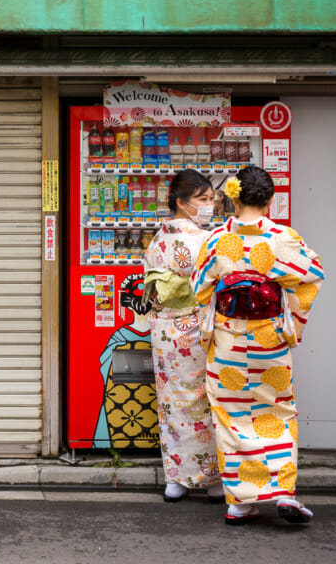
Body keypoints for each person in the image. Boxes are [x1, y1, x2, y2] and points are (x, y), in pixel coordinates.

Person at [190, 165, 324, 525]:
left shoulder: (217, 239)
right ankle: (282, 492)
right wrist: (289, 322)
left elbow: (199, 287)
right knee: (277, 412)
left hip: (229, 341)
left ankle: (239, 501)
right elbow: (311, 277)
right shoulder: (282, 237)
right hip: (268, 341)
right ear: (270, 199)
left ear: (232, 197)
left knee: (232, 417)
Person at [140, 169, 223, 503]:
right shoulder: (206, 240)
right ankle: (211, 479)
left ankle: (175, 479)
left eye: (211, 198)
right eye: (202, 199)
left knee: (171, 403)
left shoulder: (158, 239)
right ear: (181, 202)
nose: (210, 205)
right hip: (197, 327)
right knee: (204, 401)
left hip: (164, 329)